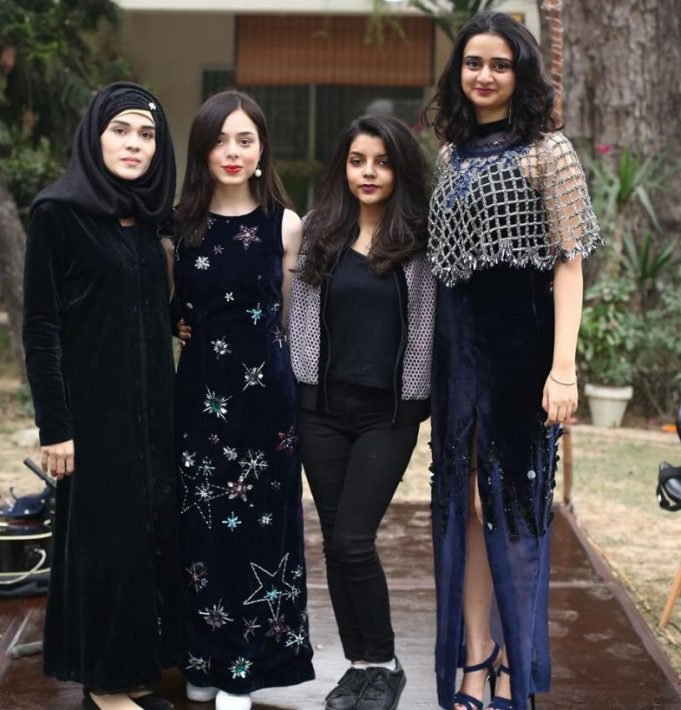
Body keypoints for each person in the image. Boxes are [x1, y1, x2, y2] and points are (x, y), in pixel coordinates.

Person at [424, 12, 601, 710]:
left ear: (520, 72)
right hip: (457, 357)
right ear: (459, 71)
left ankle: (513, 668)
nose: (485, 75)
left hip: (521, 357)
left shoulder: (548, 152)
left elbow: (569, 263)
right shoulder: (449, 155)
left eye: (500, 64)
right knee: (466, 511)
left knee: (512, 514)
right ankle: (476, 659)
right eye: (474, 62)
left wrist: (564, 368)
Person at [23, 82, 180, 710]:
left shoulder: (148, 222)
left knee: (144, 544)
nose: (134, 144)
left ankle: (132, 673)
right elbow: (41, 328)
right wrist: (55, 426)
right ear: (95, 136)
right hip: (93, 418)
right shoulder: (57, 215)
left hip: (153, 414)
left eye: (147, 134)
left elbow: (144, 309)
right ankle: (106, 687)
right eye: (121, 130)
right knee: (105, 548)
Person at [170, 90, 314, 710]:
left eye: (245, 140)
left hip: (265, 410)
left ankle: (244, 670)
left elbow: (290, 320)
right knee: (201, 533)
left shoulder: (285, 224)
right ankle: (203, 657)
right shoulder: (179, 226)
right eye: (220, 140)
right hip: (199, 403)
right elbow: (170, 307)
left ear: (261, 150)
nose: (232, 152)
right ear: (202, 150)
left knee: (261, 535)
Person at [289, 114, 436, 710]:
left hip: (387, 415)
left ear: (400, 170)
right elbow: (295, 313)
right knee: (334, 542)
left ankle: (384, 663)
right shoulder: (318, 231)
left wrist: (418, 402)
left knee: (354, 539)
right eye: (357, 161)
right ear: (343, 167)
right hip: (320, 410)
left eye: (381, 162)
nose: (368, 173)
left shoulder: (421, 241)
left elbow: (428, 324)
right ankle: (360, 666)